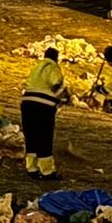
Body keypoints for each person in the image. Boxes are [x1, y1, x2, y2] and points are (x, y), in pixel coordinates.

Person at [20, 47, 67, 180]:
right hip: (44, 106)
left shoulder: (36, 67)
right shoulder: (54, 68)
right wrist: (61, 97)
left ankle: (31, 168)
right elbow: (56, 83)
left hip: (27, 103)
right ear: (56, 58)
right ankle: (47, 171)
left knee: (31, 136)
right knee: (44, 137)